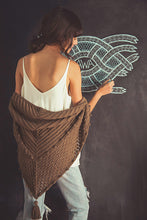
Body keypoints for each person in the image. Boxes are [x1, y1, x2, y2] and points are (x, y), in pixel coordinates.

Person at [14, 6, 115, 220]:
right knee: (79, 207)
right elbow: (80, 116)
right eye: (74, 37)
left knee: (33, 211)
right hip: (60, 153)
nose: (76, 42)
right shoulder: (71, 67)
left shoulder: (22, 64)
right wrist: (99, 94)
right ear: (62, 35)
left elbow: (18, 110)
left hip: (30, 151)